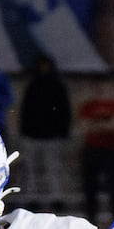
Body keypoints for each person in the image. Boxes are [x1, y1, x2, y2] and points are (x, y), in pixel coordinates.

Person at [17, 53, 72, 213]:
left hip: (52, 134)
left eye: (46, 65)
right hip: (32, 134)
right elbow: (25, 110)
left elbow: (64, 110)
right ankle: (31, 197)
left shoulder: (58, 86)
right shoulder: (32, 86)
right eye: (41, 65)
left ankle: (56, 197)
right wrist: (24, 132)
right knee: (30, 167)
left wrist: (63, 132)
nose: (43, 69)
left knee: (53, 167)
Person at [77, 81, 114, 226]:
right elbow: (85, 127)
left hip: (111, 150)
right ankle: (91, 220)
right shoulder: (87, 107)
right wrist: (104, 125)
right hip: (92, 150)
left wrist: (96, 125)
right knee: (90, 187)